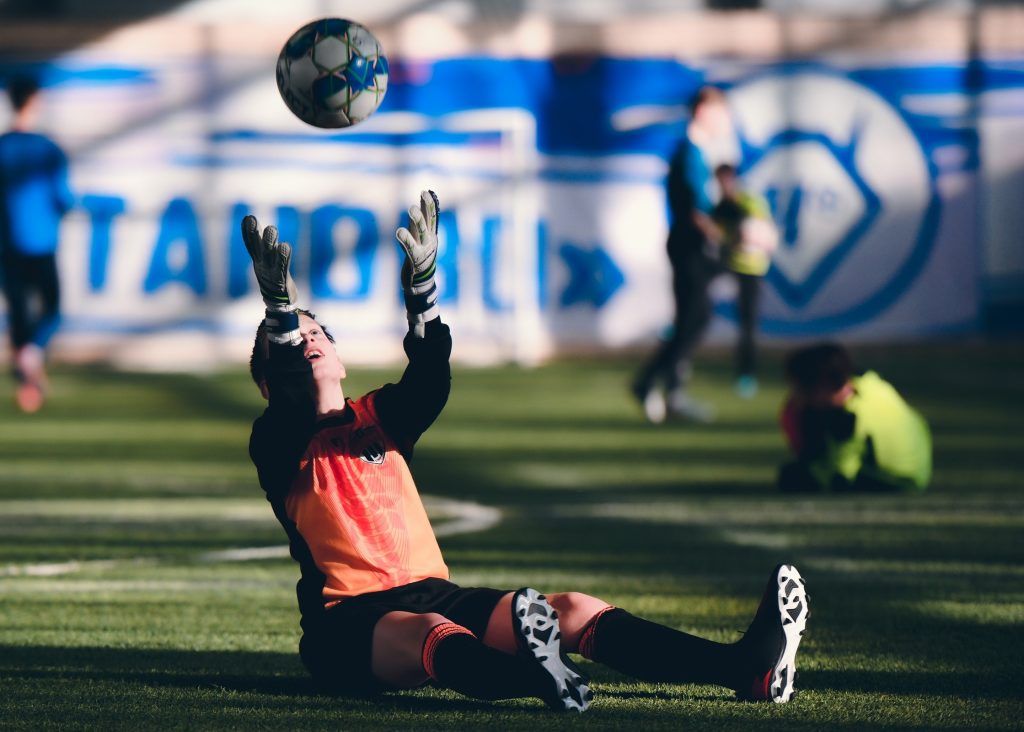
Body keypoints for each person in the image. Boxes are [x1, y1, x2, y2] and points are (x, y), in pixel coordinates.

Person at [244, 190, 810, 711]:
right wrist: (280, 315)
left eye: (318, 334)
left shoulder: (378, 417)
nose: (308, 340)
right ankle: (538, 677)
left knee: (572, 609)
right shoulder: (276, 442)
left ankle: (744, 667)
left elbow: (430, 381)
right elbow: (293, 408)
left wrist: (422, 294)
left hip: (435, 592)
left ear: (341, 359)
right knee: (430, 635)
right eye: (292, 345)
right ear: (270, 384)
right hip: (346, 625)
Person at [633, 86, 733, 424]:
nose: (725, 122)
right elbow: (694, 210)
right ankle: (650, 384)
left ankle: (670, 389)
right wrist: (731, 237)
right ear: (704, 111)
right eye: (721, 113)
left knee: (694, 320)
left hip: (692, 245)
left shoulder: (699, 154)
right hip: (689, 246)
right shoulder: (689, 153)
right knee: (693, 319)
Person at [0, 75, 73, 413]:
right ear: (34, 101)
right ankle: (32, 359)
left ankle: (28, 381)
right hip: (41, 240)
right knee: (52, 308)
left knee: (19, 313)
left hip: (7, 243)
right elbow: (63, 198)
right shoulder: (48, 149)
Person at [778, 343, 932, 493]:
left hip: (894, 481)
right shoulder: (872, 384)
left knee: (793, 477)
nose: (797, 397)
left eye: (800, 389)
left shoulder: (847, 416)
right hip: (918, 473)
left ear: (820, 387)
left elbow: (840, 475)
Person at [711, 164, 778, 399]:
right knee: (696, 290)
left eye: (727, 180)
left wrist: (747, 234)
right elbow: (717, 234)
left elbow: (761, 231)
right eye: (720, 181)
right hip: (728, 262)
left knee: (748, 324)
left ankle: (746, 374)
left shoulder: (750, 202)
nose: (723, 185)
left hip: (751, 268)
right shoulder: (720, 207)